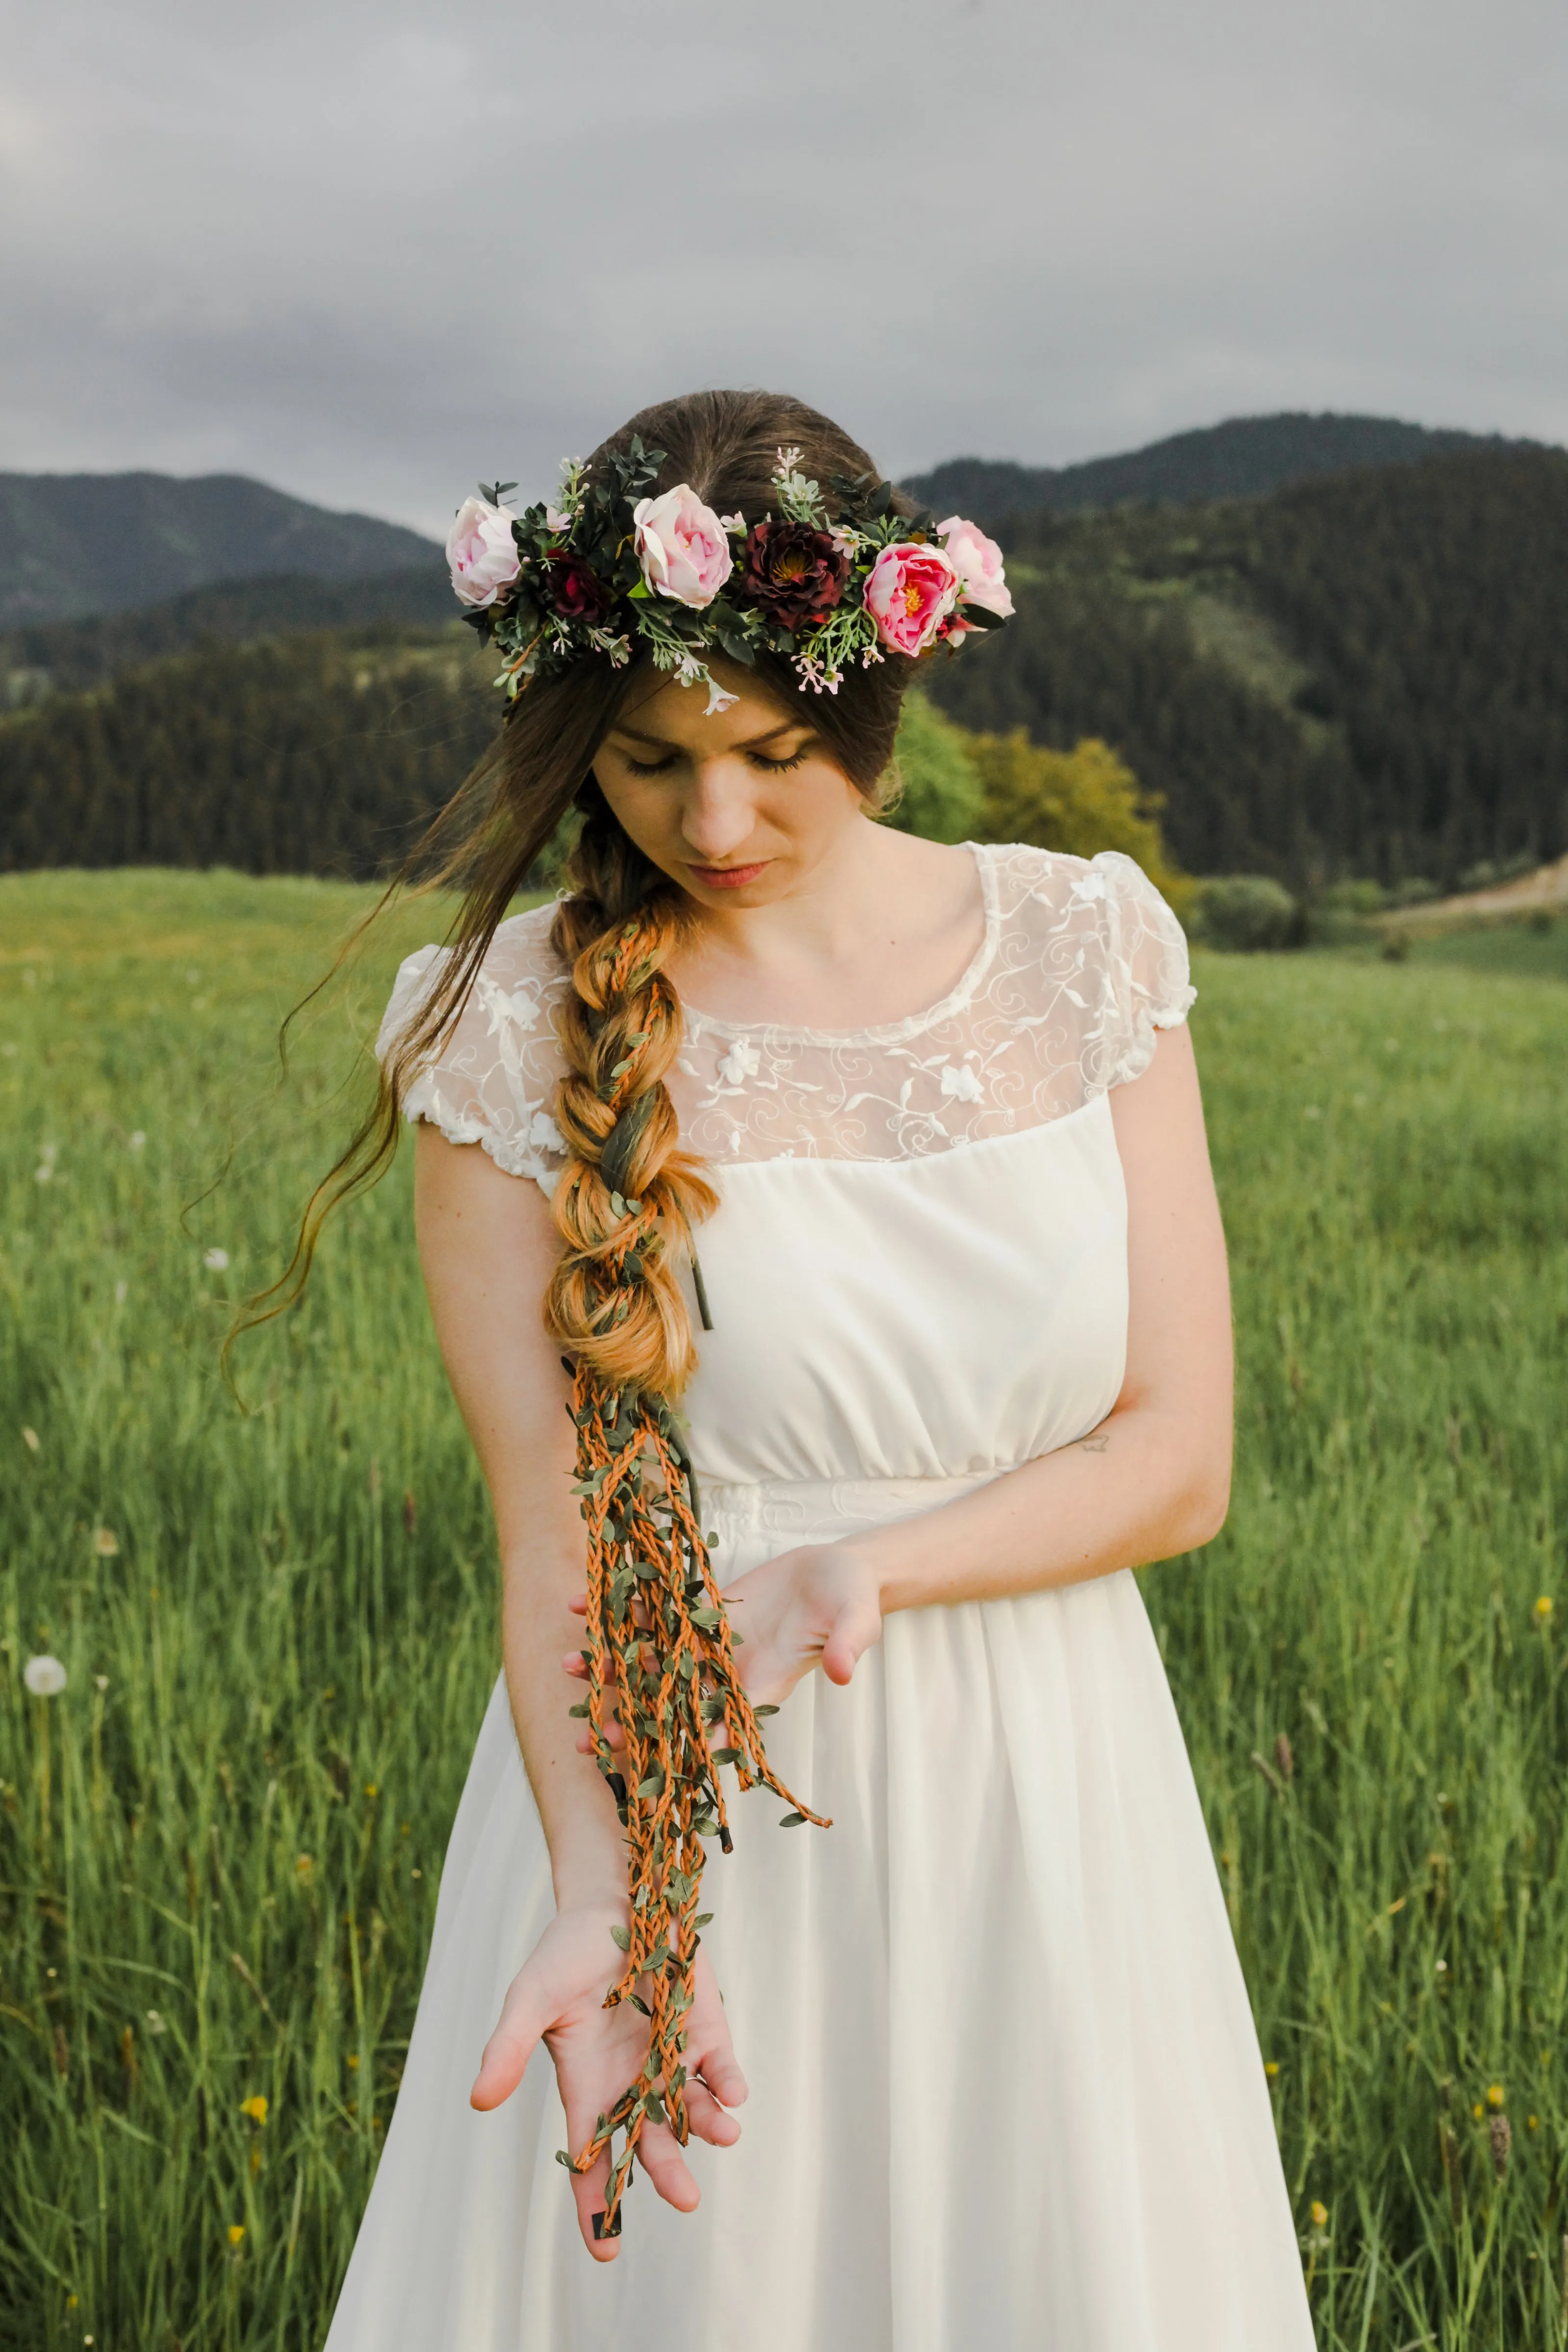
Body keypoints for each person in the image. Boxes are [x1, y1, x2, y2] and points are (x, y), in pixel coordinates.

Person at [319, 390, 1315, 2349]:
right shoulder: (502, 1032)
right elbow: (546, 1545)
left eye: (772, 755)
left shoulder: (1081, 947)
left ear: (872, 700)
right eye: (644, 761)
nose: (709, 824)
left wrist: (875, 1566)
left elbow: (1178, 1459)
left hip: (1043, 1782)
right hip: (681, 1797)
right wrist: (603, 1903)